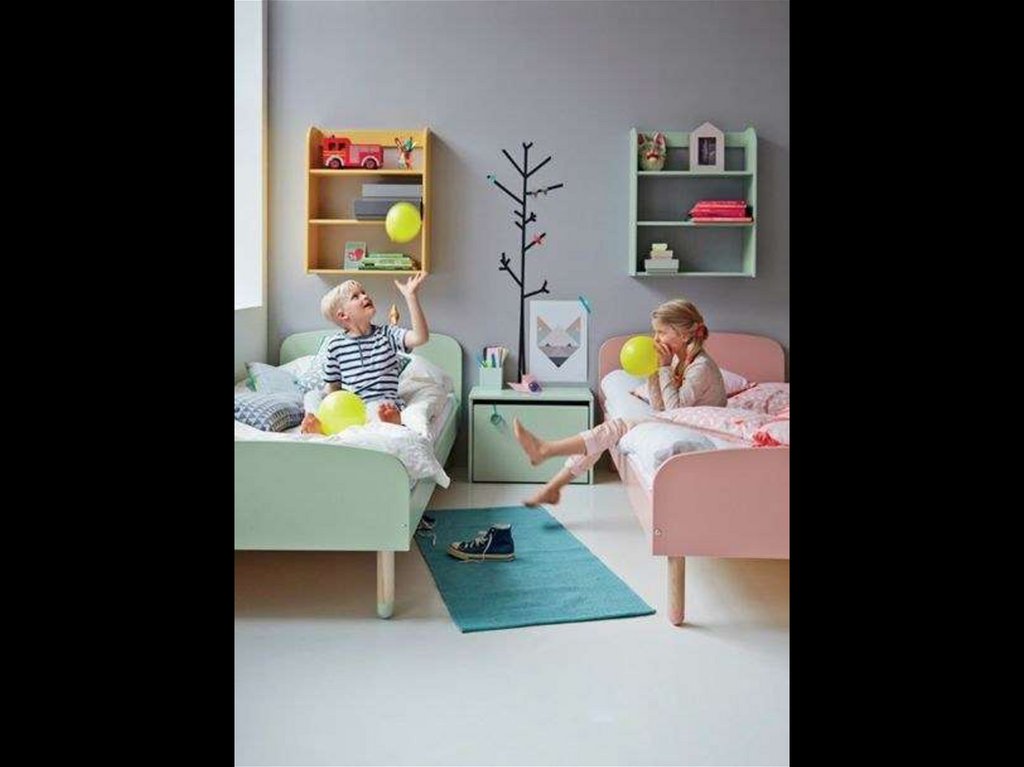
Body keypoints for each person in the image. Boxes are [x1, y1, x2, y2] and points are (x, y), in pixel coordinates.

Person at [512, 298, 727, 506]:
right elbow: (659, 408)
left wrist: (663, 368)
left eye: (662, 332)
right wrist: (653, 371)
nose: (656, 338)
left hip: (703, 427)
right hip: (683, 420)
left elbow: (674, 410)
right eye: (655, 332)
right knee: (611, 430)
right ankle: (552, 481)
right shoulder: (678, 358)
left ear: (683, 334)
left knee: (616, 427)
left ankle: (546, 453)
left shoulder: (701, 366)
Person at [300, 273, 429, 434]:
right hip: (353, 406)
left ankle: (392, 423)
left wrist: (411, 297)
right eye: (356, 296)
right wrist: (328, 408)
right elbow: (333, 387)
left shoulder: (387, 334)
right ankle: (316, 425)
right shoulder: (335, 345)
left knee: (377, 407)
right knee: (312, 395)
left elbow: (420, 338)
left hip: (383, 404)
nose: (365, 296)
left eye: (363, 292)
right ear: (343, 315)